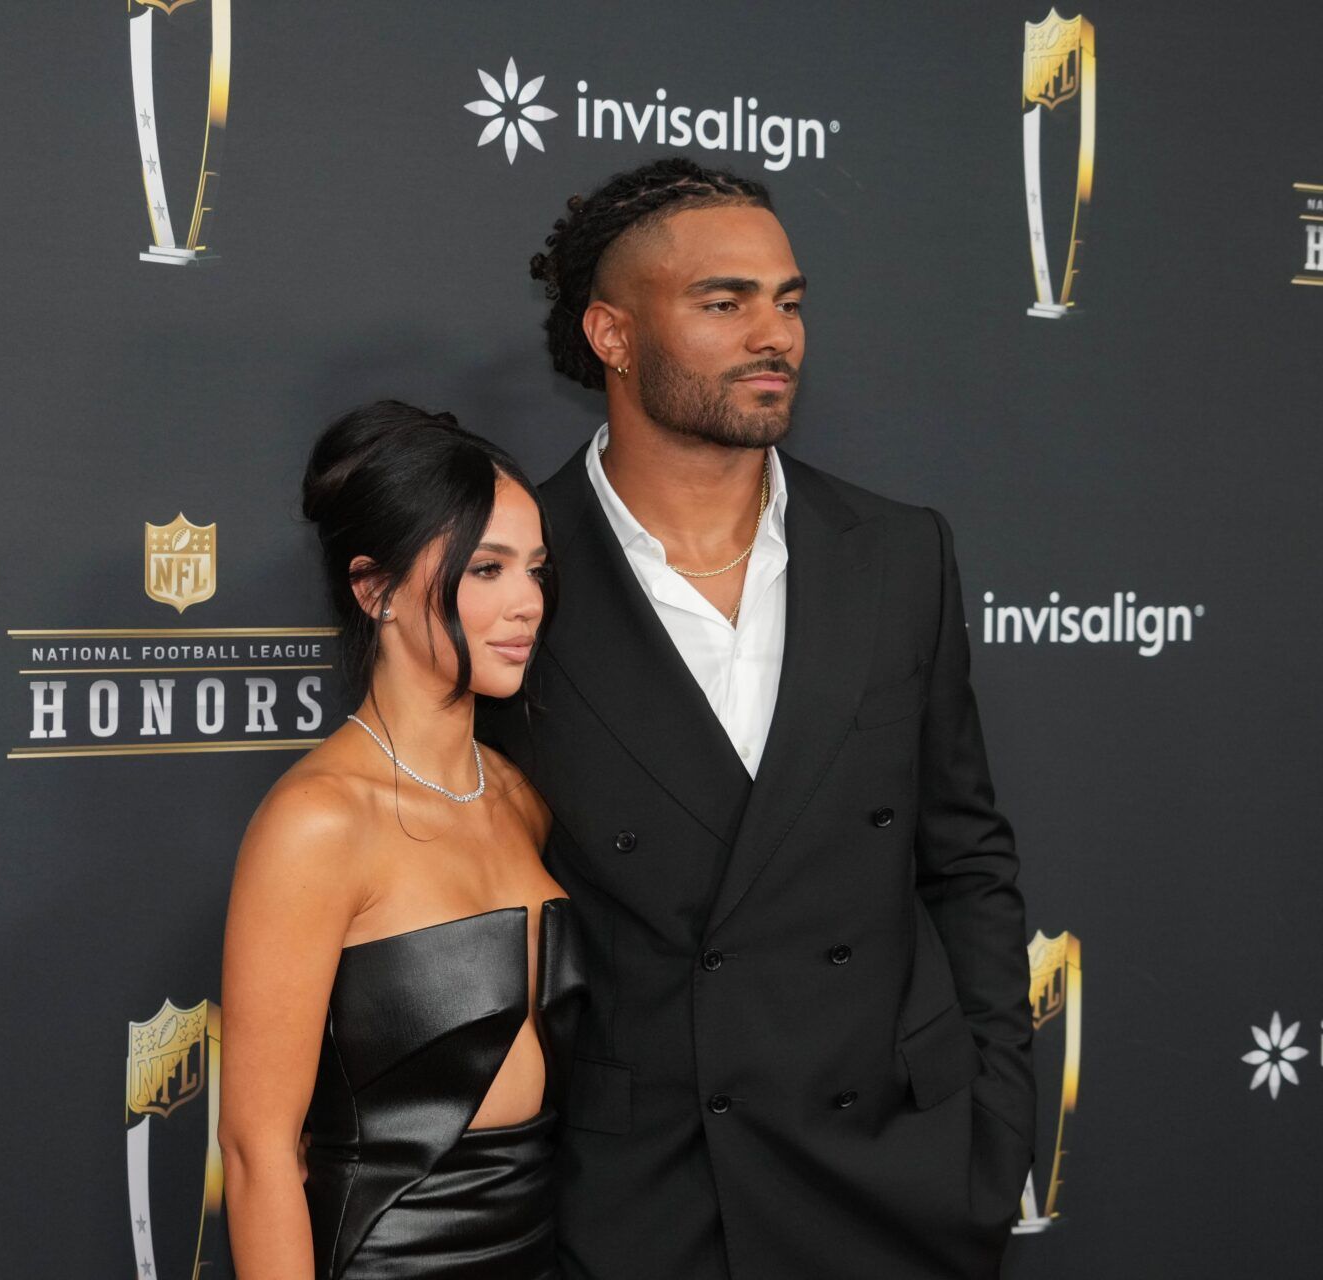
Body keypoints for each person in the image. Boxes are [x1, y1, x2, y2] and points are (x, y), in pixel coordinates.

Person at [477, 157, 1035, 1279]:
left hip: (901, 1174)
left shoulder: (899, 552)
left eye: (788, 301)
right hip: (654, 1198)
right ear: (612, 335)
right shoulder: (509, 575)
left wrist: (992, 1110)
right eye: (722, 302)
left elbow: (965, 855)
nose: (772, 334)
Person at [218, 400, 584, 1279]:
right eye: (486, 569)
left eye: (535, 569)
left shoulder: (520, 797)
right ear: (374, 589)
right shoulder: (317, 822)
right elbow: (256, 1153)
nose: (526, 602)